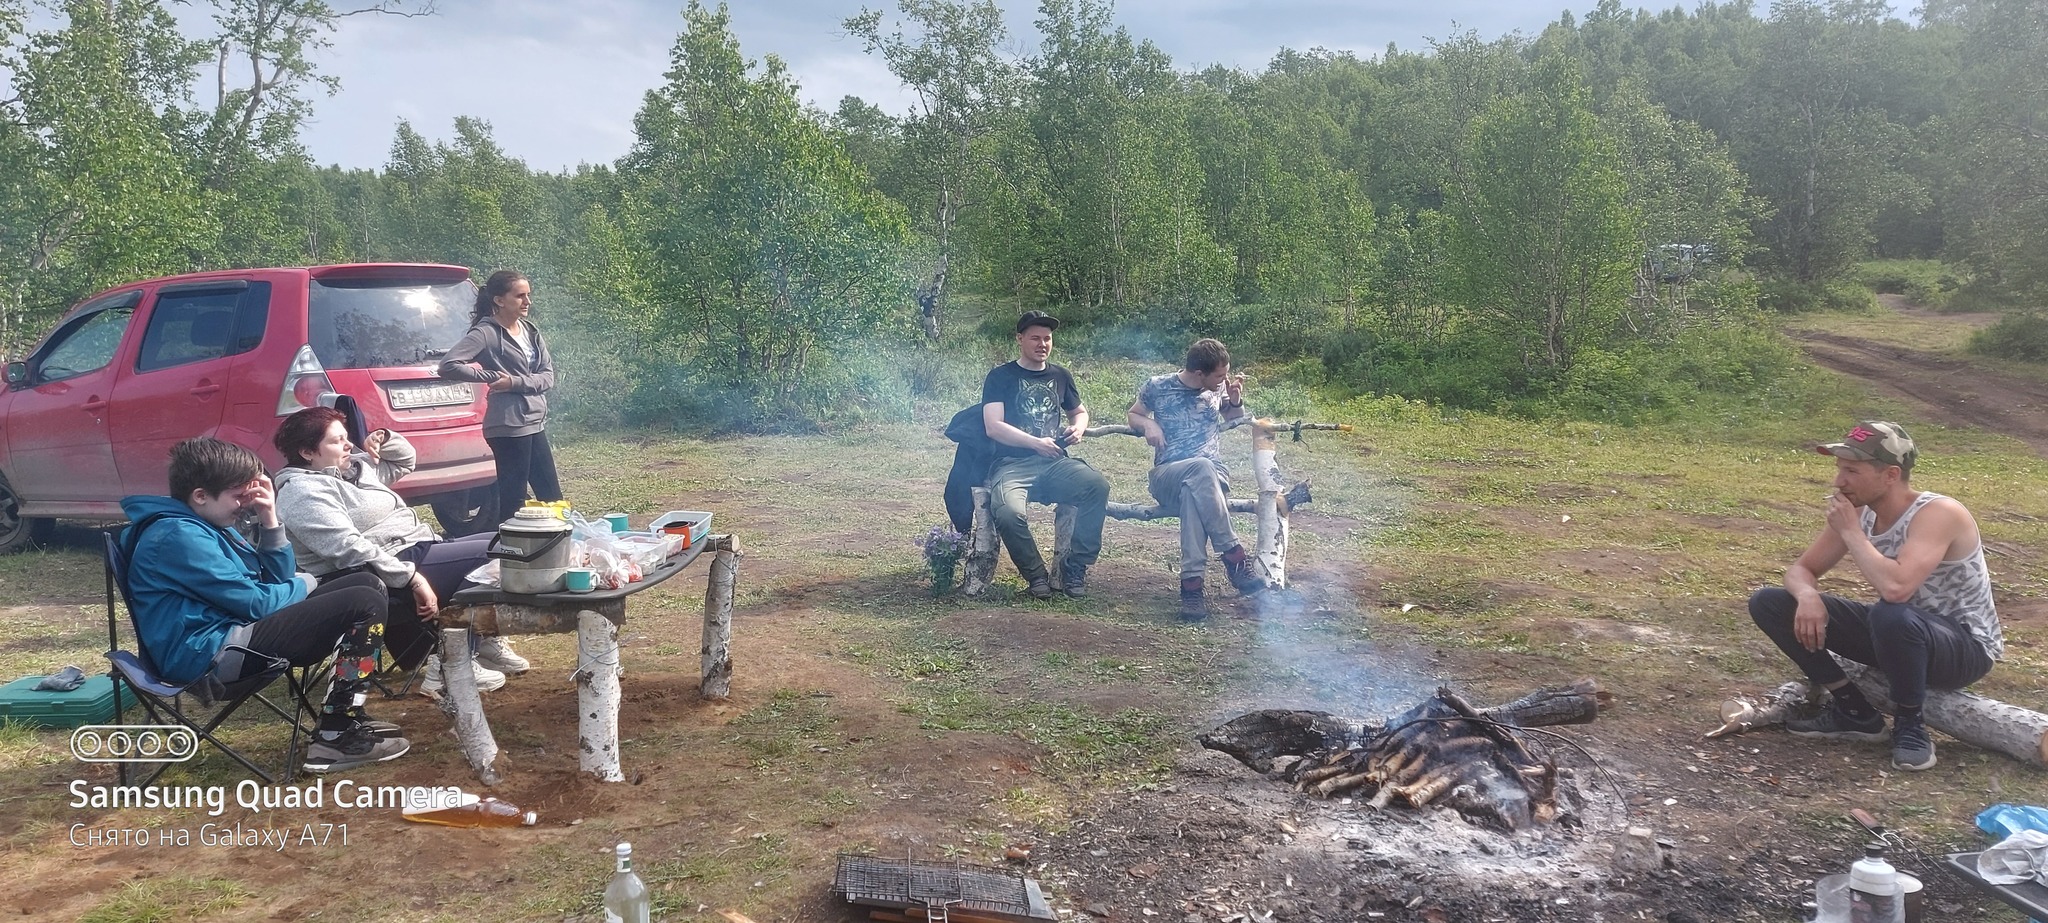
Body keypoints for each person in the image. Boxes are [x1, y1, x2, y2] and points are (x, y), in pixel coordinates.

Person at [120, 437, 409, 773]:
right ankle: (336, 736)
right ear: (200, 496)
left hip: (232, 634)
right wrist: (306, 580)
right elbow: (258, 603)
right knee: (362, 600)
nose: (245, 504)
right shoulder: (178, 537)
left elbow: (271, 583)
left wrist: (271, 519)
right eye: (238, 496)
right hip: (209, 655)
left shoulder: (205, 524)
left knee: (366, 583)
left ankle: (345, 714)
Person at [1749, 421, 2003, 772]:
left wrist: (1852, 533)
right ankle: (1854, 711)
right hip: (1899, 634)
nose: (1839, 481)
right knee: (1771, 602)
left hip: (1963, 648)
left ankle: (1910, 724)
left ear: (1890, 475)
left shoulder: (1939, 513)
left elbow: (1897, 588)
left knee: (1891, 612)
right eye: (1839, 469)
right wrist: (1808, 595)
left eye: (1851, 470)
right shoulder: (1857, 510)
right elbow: (1799, 570)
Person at [270, 407, 529, 699]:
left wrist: (383, 437)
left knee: (507, 539)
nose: (348, 445)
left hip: (413, 549)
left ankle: (481, 639)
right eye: (336, 441)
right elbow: (347, 549)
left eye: (347, 438)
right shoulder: (302, 492)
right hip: (374, 572)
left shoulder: (353, 470)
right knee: (495, 552)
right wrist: (412, 578)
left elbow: (405, 460)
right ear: (307, 452)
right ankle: (451, 664)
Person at [1127, 338, 1268, 621]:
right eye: (1220, 375)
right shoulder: (1157, 385)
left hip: (1212, 479)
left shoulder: (1216, 388)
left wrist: (1236, 399)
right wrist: (1149, 423)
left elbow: (1232, 415)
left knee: (1195, 491)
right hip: (1167, 474)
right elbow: (1133, 414)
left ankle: (1191, 586)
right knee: (1199, 470)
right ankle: (1233, 555)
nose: (1224, 379)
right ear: (1199, 373)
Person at [980, 310, 1110, 599]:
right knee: (1008, 512)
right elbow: (993, 426)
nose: (1042, 344)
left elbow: (1079, 411)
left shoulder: (1061, 375)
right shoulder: (1000, 376)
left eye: (1047, 339)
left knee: (1096, 486)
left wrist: (1078, 428)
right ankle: (1035, 575)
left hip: (1054, 463)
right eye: (1035, 338)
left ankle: (1075, 567)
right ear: (1020, 339)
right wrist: (1035, 443)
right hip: (1011, 464)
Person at [438, 269, 561, 523]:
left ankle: (557, 549)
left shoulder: (530, 331)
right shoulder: (486, 334)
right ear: (499, 300)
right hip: (507, 426)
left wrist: (513, 382)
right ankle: (511, 555)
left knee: (552, 497)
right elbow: (448, 365)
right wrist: (492, 377)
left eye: (528, 295)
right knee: (514, 501)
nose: (527, 302)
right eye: (520, 296)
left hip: (534, 421)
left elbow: (548, 377)